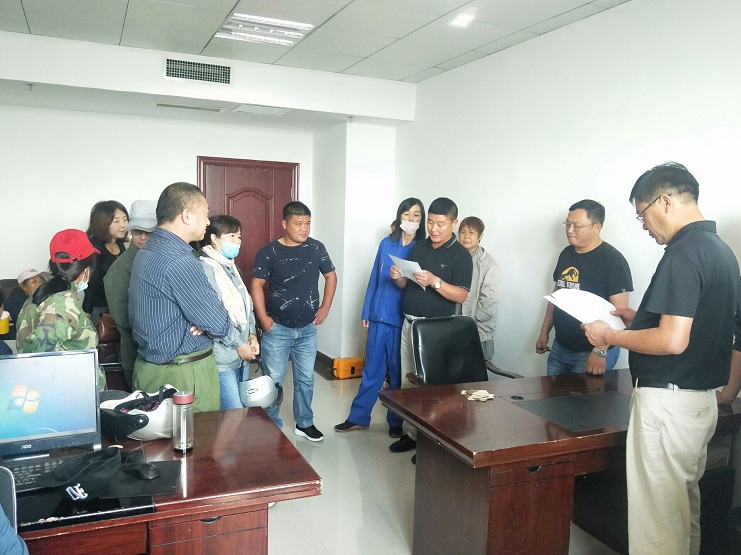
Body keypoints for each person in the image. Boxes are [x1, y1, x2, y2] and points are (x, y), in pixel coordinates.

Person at [583, 162, 741, 555]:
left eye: (642, 215)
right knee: (681, 514)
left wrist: (609, 335)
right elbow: (695, 326)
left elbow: (672, 341)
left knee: (656, 526)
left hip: (668, 406)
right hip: (698, 402)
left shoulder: (683, 253)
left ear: (665, 201)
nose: (644, 227)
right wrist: (641, 320)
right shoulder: (721, 252)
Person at [130, 183, 232, 413]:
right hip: (183, 376)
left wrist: (199, 319)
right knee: (197, 435)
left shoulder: (147, 251)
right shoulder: (179, 260)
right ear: (186, 215)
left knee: (158, 437)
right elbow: (219, 324)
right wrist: (204, 321)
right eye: (205, 214)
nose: (208, 222)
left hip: (150, 368)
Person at [388, 197, 473, 456]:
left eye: (441, 224)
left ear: (454, 223)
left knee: (432, 388)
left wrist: (435, 281)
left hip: (436, 331)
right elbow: (406, 284)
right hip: (409, 323)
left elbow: (461, 295)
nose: (434, 229)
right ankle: (412, 434)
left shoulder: (461, 256)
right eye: (431, 222)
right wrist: (398, 277)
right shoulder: (419, 247)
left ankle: (430, 442)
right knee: (408, 382)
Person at [335, 198, 425, 436]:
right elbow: (375, 276)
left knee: (397, 373)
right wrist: (367, 310)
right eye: (407, 214)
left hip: (401, 318)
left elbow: (419, 286)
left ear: (422, 219)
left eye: (416, 215)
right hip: (378, 315)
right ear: (399, 217)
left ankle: (395, 422)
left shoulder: (421, 248)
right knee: (371, 370)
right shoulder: (387, 243)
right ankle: (358, 417)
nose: (411, 219)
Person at [251, 201, 337, 441]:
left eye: (308, 223)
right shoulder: (269, 251)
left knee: (305, 379)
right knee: (274, 380)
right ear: (284, 224)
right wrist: (263, 318)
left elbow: (331, 277)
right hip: (277, 328)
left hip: (307, 328)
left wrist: (325, 307)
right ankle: (270, 426)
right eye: (298, 224)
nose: (304, 229)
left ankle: (304, 423)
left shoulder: (316, 248)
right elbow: (256, 284)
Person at [536, 199, 633, 375]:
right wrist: (544, 332)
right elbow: (556, 295)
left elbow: (619, 314)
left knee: (587, 394)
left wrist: (600, 350)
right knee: (552, 392)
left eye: (577, 226)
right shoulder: (566, 254)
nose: (570, 230)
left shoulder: (613, 261)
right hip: (561, 346)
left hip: (591, 352)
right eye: (568, 224)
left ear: (597, 227)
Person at [15, 229, 106, 389]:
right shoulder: (62, 306)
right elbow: (44, 364)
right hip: (70, 394)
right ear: (86, 269)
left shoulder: (45, 290)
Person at [198, 215, 260, 410]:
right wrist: (238, 343)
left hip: (241, 353)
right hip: (222, 356)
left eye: (239, 236)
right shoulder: (206, 267)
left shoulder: (231, 266)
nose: (237, 241)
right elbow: (214, 314)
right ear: (214, 238)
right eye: (231, 236)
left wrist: (251, 334)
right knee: (233, 413)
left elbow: (246, 304)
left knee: (240, 410)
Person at [103, 200, 157, 390]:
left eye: (149, 232)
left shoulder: (161, 260)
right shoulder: (120, 269)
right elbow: (124, 319)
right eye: (137, 231)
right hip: (138, 356)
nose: (143, 237)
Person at [458, 216, 501, 362]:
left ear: (480, 236)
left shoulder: (489, 264)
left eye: (471, 233)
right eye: (463, 232)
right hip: (453, 327)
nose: (466, 237)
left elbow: (488, 303)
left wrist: (467, 324)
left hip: (478, 331)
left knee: (475, 372)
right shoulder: (453, 257)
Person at [84, 200, 129, 323]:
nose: (123, 225)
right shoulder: (94, 247)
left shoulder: (119, 243)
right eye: (116, 221)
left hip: (117, 305)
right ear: (102, 223)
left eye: (125, 220)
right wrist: (87, 311)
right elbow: (90, 283)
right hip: (98, 308)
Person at [1, 269, 46, 341]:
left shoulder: (43, 298)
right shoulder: (16, 301)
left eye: (41, 281)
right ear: (23, 286)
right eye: (34, 281)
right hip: (15, 339)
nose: (39, 284)